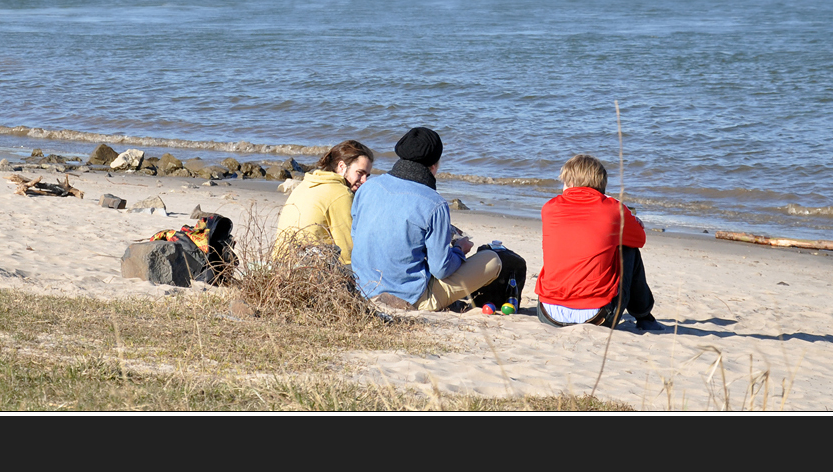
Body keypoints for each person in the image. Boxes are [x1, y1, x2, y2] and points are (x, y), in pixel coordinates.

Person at [350, 127, 501, 311]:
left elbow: (356, 236)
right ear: (434, 165)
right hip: (408, 297)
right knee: (492, 260)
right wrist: (460, 250)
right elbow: (440, 269)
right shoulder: (435, 203)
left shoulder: (368, 187)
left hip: (364, 288)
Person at [535, 154, 664, 331]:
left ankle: (643, 316)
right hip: (598, 317)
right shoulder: (613, 209)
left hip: (548, 314)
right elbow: (639, 240)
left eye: (564, 182)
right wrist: (634, 222)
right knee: (629, 248)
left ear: (571, 183)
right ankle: (644, 316)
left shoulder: (549, 208)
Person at [272, 140, 374, 266]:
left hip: (280, 265)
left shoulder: (307, 183)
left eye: (367, 176)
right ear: (341, 166)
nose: (364, 181)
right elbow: (348, 254)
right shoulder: (341, 193)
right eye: (360, 173)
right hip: (308, 272)